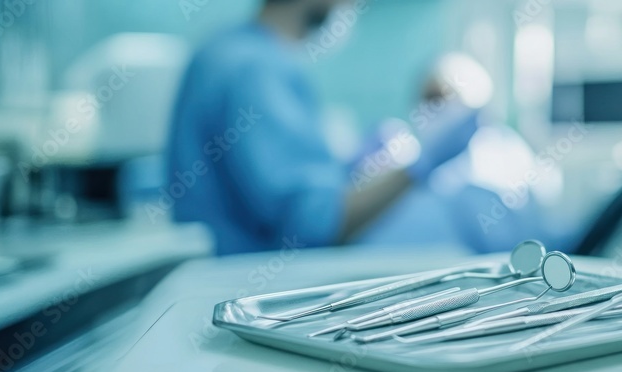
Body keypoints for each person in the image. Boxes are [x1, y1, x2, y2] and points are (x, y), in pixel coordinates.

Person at [166, 0, 478, 255]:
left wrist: (346, 172)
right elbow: (313, 226)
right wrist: (419, 167)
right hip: (247, 284)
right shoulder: (259, 69)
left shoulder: (222, 50)